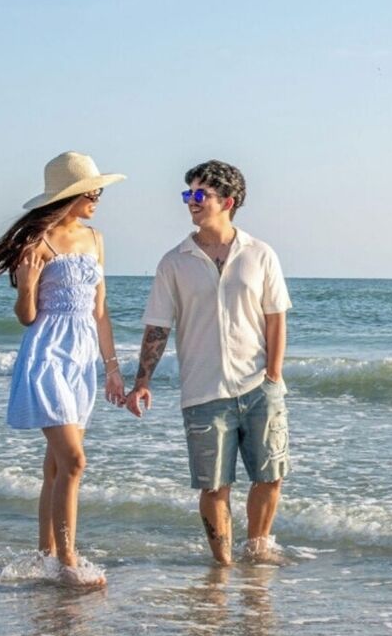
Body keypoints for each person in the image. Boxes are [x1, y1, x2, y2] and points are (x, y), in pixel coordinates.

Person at [124, 160, 292, 566]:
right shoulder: (174, 262)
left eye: (200, 194)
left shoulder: (260, 254)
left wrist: (273, 375)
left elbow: (276, 319)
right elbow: (157, 326)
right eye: (188, 194)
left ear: (228, 202)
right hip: (203, 391)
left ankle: (258, 550)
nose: (191, 201)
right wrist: (142, 381)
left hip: (258, 386)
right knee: (214, 486)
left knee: (270, 476)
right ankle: (223, 567)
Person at [0, 151, 125, 589]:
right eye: (91, 191)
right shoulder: (37, 242)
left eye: (98, 190)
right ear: (68, 195)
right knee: (74, 461)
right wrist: (27, 285)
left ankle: (45, 556)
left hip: (82, 359)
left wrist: (112, 368)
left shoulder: (96, 239)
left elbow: (100, 312)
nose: (97, 198)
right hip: (47, 355)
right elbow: (26, 316)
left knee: (56, 467)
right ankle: (68, 560)